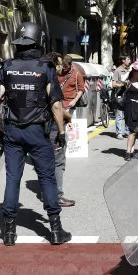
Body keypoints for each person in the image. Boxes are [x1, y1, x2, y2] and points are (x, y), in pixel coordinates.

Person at [0, 22, 71, 246]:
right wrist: (61, 132)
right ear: (38, 42)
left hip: (12, 130)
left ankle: (9, 232)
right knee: (47, 178)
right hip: (38, 131)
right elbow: (56, 105)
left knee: (12, 179)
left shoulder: (6, 66)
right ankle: (56, 230)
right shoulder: (44, 67)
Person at [48, 53, 76, 207]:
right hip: (53, 127)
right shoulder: (52, 80)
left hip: (39, 127)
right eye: (59, 64)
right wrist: (62, 130)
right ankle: (57, 196)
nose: (61, 67)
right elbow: (57, 107)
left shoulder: (38, 79)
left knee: (46, 162)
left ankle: (49, 194)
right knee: (58, 162)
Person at [122, 62, 138, 161]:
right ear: (134, 71)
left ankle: (132, 150)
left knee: (137, 131)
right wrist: (129, 70)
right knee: (133, 130)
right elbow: (121, 80)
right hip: (129, 107)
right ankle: (128, 152)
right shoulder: (128, 82)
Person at [112, 56, 131, 139]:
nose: (129, 61)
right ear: (123, 61)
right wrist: (122, 84)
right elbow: (113, 84)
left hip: (128, 95)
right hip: (120, 95)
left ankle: (127, 131)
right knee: (119, 115)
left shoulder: (129, 70)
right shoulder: (118, 71)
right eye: (128, 59)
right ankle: (119, 133)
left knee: (127, 114)